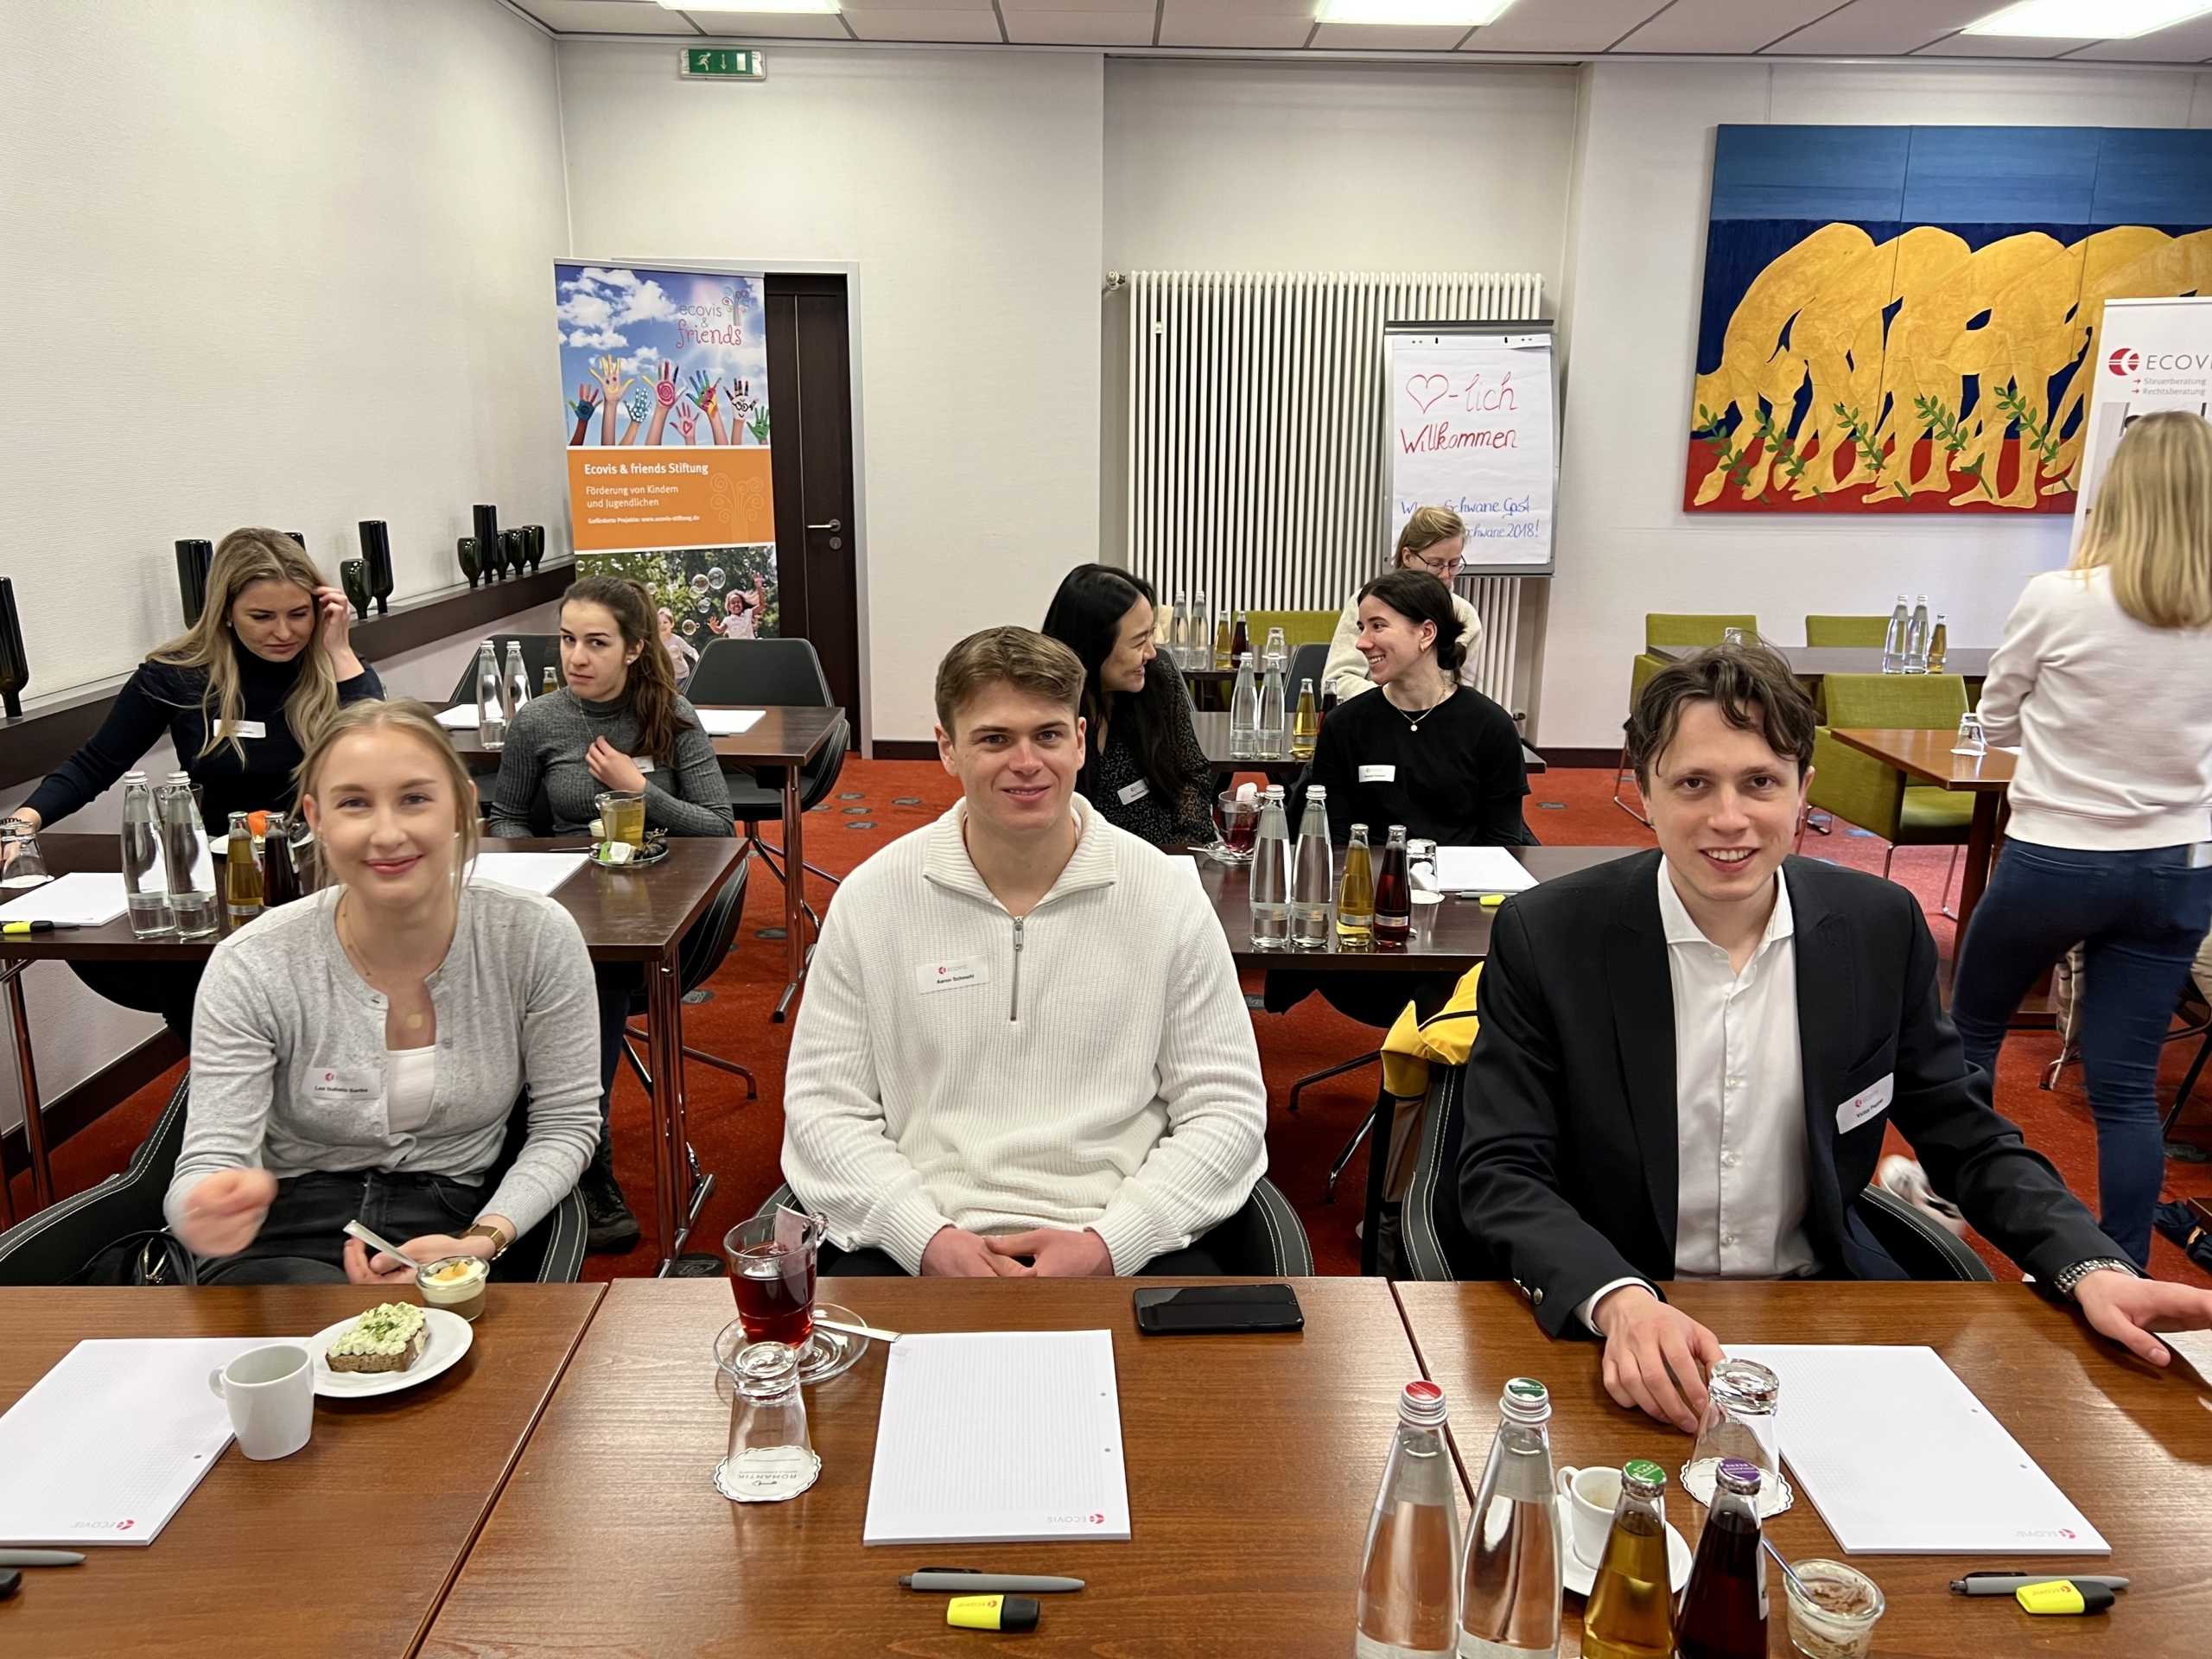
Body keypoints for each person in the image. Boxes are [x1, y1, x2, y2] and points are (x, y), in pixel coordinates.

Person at [1457, 642, 2212, 1431]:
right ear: (1645, 791)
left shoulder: (1878, 927)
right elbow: (1502, 1168)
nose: (1728, 818)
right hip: (1624, 1314)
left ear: (1803, 791)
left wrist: (2088, 1264)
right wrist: (1618, 1299)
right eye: (1693, 783)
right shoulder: (1551, 935)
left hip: (1820, 1309)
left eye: (1760, 783)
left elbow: (1967, 1136)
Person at [781, 626, 1268, 1276]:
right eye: (994, 739)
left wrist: (1112, 1242)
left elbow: (1226, 1109)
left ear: (1081, 739)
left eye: (1048, 735)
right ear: (947, 749)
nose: (1027, 761)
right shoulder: (873, 899)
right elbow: (823, 1109)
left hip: (1119, 1242)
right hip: (920, 1247)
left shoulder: (1165, 896)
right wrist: (923, 1238)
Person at [167, 699, 600, 1285]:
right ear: (317, 819)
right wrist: (204, 1210)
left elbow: (565, 1123)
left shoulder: (534, 935)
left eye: (415, 799)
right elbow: (210, 1158)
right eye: (354, 804)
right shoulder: (253, 962)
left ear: (462, 807)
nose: (388, 834)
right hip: (287, 1226)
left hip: (457, 1216)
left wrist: (484, 1238)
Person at [1948, 411, 2212, 1268]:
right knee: (2126, 1090)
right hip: (2177, 869)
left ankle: (1956, 1214)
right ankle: (2123, 1268)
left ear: (2117, 492)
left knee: (1972, 1033)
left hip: (2057, 857)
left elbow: (1994, 719)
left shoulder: (2057, 598)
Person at [10, 528, 382, 1041]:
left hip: (325, 874)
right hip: (217, 885)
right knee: (211, 1029)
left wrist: (339, 649)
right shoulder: (179, 675)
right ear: (225, 612)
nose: (284, 632)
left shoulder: (335, 668)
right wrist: (21, 822)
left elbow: (381, 753)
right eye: (262, 617)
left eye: (299, 614)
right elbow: (97, 762)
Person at [489, 575, 734, 1253]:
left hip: (653, 911)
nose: (577, 657)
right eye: (568, 640)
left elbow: (719, 826)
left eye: (596, 643)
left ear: (633, 648)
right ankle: (511, 1145)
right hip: (560, 900)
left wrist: (638, 789)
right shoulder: (539, 721)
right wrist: (523, 875)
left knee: (592, 975)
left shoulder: (672, 716)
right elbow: (506, 815)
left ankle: (584, 1156)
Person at [1303, 568, 1532, 847]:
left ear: (1426, 633)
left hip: (1462, 873)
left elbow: (1503, 845)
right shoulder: (1343, 725)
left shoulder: (1490, 726)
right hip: (1371, 873)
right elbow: (1336, 841)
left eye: (1378, 626)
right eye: (1362, 628)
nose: (1361, 643)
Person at [1039, 563, 1214, 846]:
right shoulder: (1044, 705)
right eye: (1138, 642)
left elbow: (1191, 776)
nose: (1151, 652)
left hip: (1162, 854)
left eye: (1150, 634)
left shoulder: (1157, 683)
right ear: (1094, 645)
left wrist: (1186, 849)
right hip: (1080, 859)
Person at [1320, 505, 1486, 704]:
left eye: (1453, 564)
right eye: (1435, 564)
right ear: (1407, 557)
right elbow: (1337, 681)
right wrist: (1397, 701)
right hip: (1373, 714)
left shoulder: (1465, 616)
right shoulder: (1367, 604)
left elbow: (1461, 695)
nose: (1445, 575)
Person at [658, 606, 698, 687]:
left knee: (680, 694)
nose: (662, 625)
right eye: (659, 623)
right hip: (667, 678)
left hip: (683, 676)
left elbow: (691, 651)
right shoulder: (656, 642)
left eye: (665, 622)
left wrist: (698, 660)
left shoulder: (677, 640)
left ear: (672, 624)